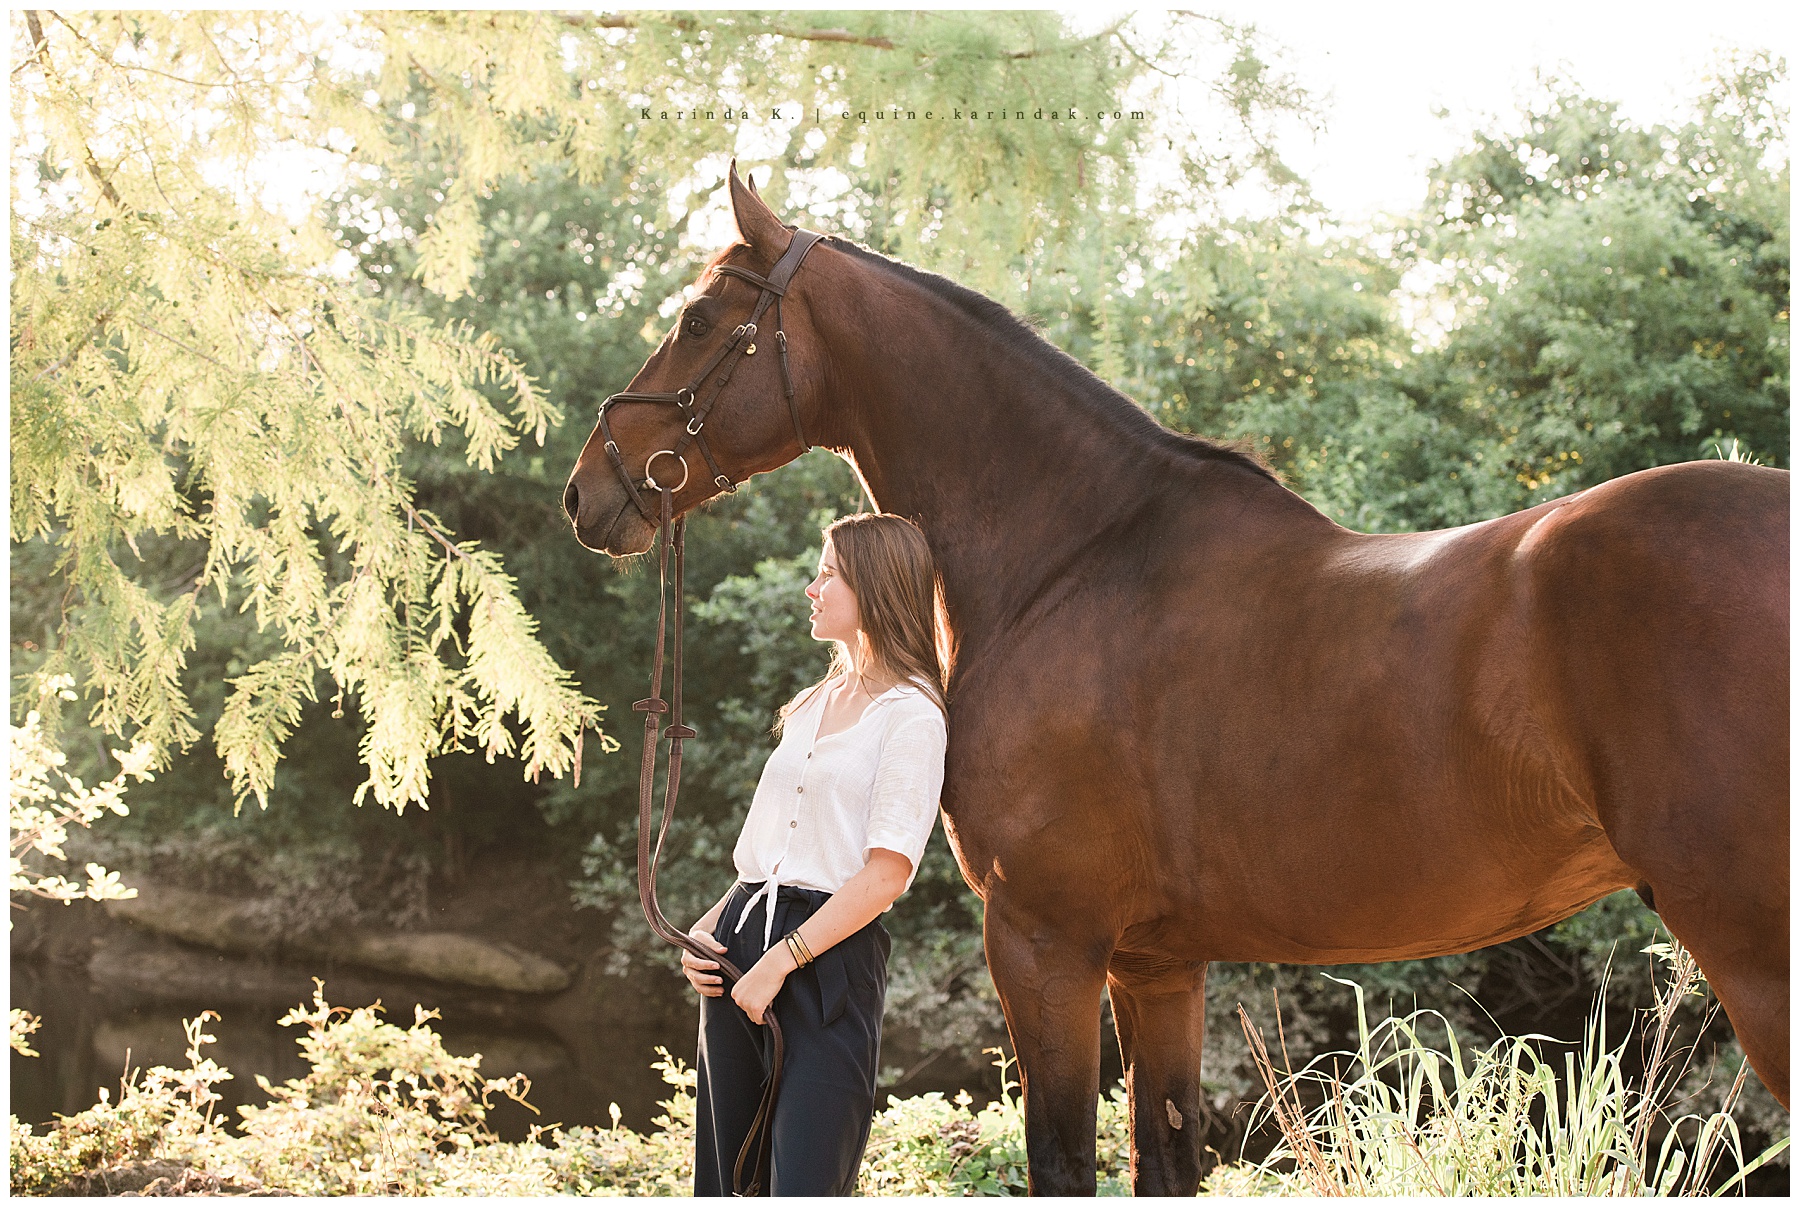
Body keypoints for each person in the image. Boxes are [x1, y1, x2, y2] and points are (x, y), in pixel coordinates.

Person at [681, 512, 949, 1196]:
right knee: (725, 1178)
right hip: (742, 940)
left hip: (828, 958)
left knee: (807, 1179)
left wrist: (779, 962)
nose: (812, 588)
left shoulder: (913, 715)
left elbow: (887, 873)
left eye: (828, 574)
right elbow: (772, 854)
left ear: (876, 588)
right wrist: (707, 930)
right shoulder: (810, 703)